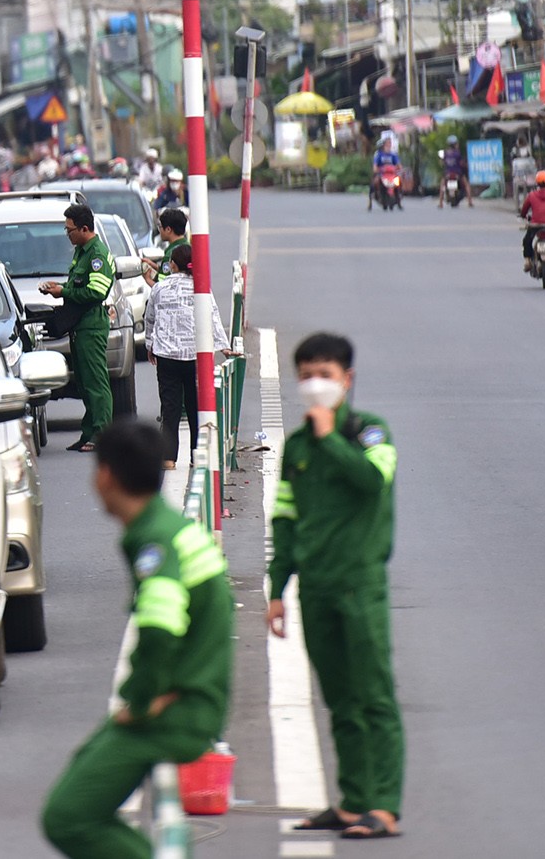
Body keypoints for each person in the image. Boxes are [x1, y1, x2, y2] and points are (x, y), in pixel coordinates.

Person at [41, 423, 231, 859]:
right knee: (83, 776)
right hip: (189, 703)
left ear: (105, 475)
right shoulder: (169, 527)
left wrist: (143, 701)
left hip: (176, 714)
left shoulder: (154, 542)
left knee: (67, 817)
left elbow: (161, 628)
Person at [266, 333, 404, 840]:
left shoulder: (371, 433)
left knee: (374, 696)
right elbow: (284, 519)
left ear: (347, 380)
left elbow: (372, 483)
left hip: (359, 585)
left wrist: (331, 438)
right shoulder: (297, 446)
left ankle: (384, 805)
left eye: (324, 374)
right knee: (340, 699)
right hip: (316, 589)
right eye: (305, 375)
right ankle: (352, 803)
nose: (314, 384)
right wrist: (276, 590)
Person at [141, 245, 232, 470]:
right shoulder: (202, 289)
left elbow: (150, 319)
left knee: (169, 408)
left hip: (167, 357)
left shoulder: (160, 288)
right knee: (195, 407)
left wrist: (150, 346)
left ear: (172, 264)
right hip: (196, 357)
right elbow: (213, 318)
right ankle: (196, 457)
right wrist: (224, 346)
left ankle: (168, 459)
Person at [41, 204, 115, 453]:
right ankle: (89, 433)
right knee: (84, 383)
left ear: (84, 228)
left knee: (96, 382)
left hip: (92, 326)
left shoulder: (97, 255)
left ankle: (102, 434)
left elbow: (96, 291)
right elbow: (79, 284)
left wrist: (65, 291)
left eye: (69, 230)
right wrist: (60, 288)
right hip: (79, 326)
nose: (68, 235)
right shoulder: (82, 251)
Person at [140, 207, 188, 285]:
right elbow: (170, 273)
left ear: (168, 229)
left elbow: (163, 286)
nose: (160, 231)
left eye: (160, 227)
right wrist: (154, 266)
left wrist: (148, 279)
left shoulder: (170, 255)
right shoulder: (188, 247)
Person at [438, 135, 469, 207]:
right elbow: (461, 163)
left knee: (442, 185)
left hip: (447, 174)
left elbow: (442, 162)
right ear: (455, 144)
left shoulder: (445, 153)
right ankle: (470, 202)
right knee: (466, 185)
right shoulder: (458, 153)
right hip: (458, 173)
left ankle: (440, 203)